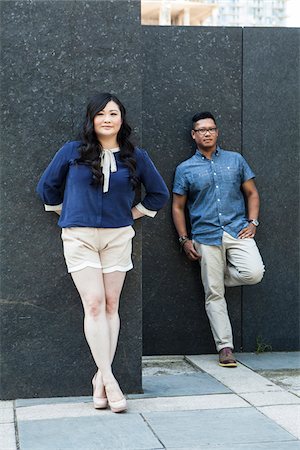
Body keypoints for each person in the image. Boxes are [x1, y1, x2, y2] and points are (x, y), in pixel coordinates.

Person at [36, 92, 169, 412]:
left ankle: (100, 380)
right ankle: (109, 379)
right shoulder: (73, 152)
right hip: (79, 238)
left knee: (112, 305)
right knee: (94, 304)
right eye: (100, 114)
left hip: (118, 238)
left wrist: (131, 214)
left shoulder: (136, 156)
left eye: (113, 113)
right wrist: (68, 213)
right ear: (91, 119)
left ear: (121, 119)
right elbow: (46, 188)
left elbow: (159, 194)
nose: (107, 119)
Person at [172, 111, 264, 367]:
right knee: (214, 294)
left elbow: (252, 193)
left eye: (211, 128)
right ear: (194, 135)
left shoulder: (235, 160)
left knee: (254, 272)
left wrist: (253, 222)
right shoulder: (185, 169)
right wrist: (184, 239)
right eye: (201, 130)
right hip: (205, 235)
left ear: (217, 131)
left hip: (237, 230)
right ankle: (225, 347)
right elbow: (178, 207)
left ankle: (213, 278)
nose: (207, 133)